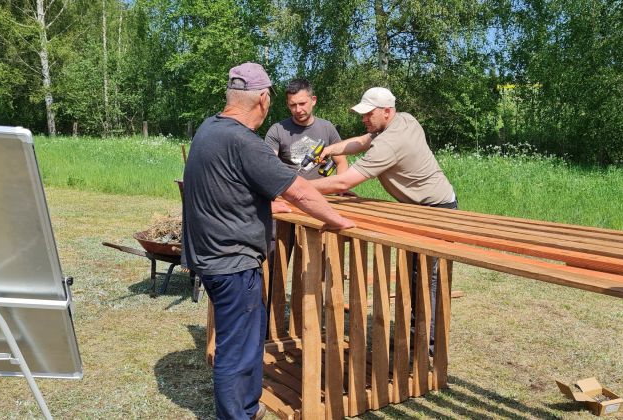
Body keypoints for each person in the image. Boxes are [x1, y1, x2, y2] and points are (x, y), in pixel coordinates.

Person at [181, 62, 354, 420]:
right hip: (231, 261)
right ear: (262, 98)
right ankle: (236, 415)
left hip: (210, 256)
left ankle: (247, 406)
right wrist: (338, 220)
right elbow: (299, 191)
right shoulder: (244, 141)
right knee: (238, 347)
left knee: (245, 338)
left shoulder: (208, 129)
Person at [308, 87, 457, 353]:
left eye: (369, 113)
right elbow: (363, 141)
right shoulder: (405, 119)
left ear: (387, 111)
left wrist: (297, 186)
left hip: (437, 210)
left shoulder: (390, 144)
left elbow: (344, 181)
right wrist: (331, 149)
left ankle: (428, 345)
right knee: (413, 274)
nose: (364, 118)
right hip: (418, 208)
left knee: (426, 278)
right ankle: (414, 338)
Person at [265, 79, 348, 179]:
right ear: (288, 104)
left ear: (313, 100)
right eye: (293, 105)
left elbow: (341, 162)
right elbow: (268, 165)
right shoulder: (277, 130)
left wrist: (341, 188)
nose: (298, 110)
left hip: (322, 190)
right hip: (289, 191)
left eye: (302, 103)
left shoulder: (327, 128)